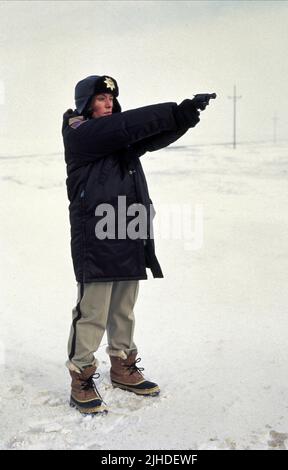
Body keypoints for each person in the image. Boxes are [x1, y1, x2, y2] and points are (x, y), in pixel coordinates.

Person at [61, 74, 200, 415]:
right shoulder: (81, 133)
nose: (108, 103)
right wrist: (172, 111)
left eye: (111, 98)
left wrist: (184, 120)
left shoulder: (116, 137)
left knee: (123, 308)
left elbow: (148, 136)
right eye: (100, 98)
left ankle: (123, 365)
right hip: (96, 234)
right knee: (92, 311)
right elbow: (127, 128)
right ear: (85, 103)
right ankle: (81, 375)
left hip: (126, 228)